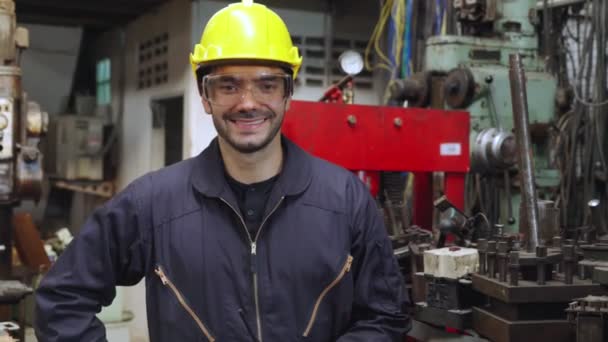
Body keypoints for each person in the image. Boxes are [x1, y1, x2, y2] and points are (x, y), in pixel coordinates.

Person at [34, 1, 410, 341]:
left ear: (288, 94)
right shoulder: (151, 204)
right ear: (205, 96)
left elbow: (386, 314)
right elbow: (62, 299)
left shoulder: (345, 201)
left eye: (266, 84)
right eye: (228, 85)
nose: (248, 102)